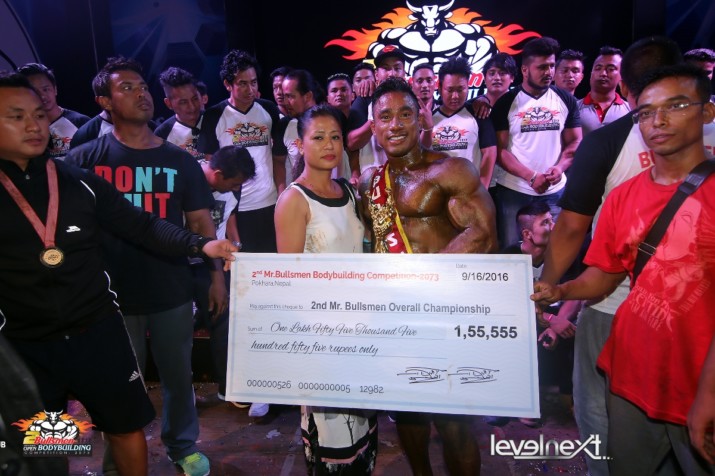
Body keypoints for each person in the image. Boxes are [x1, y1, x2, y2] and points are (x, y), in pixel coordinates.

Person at [0, 71, 236, 476]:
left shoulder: (77, 181)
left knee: (126, 424)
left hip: (96, 330)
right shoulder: (84, 157)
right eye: (16, 116)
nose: (34, 125)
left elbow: (143, 225)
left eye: (39, 115)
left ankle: (178, 448)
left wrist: (202, 245)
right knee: (47, 445)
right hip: (27, 343)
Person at [533, 63, 715, 475]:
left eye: (676, 106)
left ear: (707, 111)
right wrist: (561, 290)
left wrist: (709, 392)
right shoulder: (622, 197)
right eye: (646, 112)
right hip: (633, 370)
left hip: (699, 378)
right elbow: (608, 272)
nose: (658, 121)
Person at [65, 57, 224, 476]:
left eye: (142, 86)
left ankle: (182, 446)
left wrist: (216, 277)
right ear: (104, 102)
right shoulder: (84, 159)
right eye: (127, 88)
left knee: (178, 377)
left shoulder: (180, 160)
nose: (141, 94)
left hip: (170, 286)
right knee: (115, 385)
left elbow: (201, 225)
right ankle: (116, 460)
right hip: (108, 296)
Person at [359, 77, 496, 475]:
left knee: (454, 422)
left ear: (421, 120)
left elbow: (483, 234)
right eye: (385, 116)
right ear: (373, 126)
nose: (395, 124)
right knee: (407, 413)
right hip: (396, 316)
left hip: (445, 313)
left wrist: (423, 285)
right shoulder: (369, 182)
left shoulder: (451, 169)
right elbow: (371, 245)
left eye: (405, 114)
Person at [275, 103, 377, 474]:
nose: (329, 145)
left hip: (360, 326)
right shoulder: (293, 200)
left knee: (361, 428)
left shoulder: (348, 191)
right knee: (333, 438)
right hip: (322, 334)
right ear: (300, 145)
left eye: (335, 136)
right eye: (318, 137)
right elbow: (288, 281)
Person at [197, 49, 285, 418]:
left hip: (268, 210)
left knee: (272, 293)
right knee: (237, 301)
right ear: (227, 84)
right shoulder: (215, 116)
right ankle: (241, 379)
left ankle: (276, 375)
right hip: (233, 217)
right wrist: (227, 225)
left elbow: (279, 157)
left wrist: (282, 195)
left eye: (253, 82)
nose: (250, 89)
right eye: (242, 83)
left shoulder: (269, 110)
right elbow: (209, 167)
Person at [491, 36, 582, 247]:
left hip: (554, 191)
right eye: (542, 67)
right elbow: (500, 151)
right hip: (514, 190)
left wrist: (560, 168)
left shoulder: (565, 100)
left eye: (551, 66)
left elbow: (575, 141)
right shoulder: (506, 103)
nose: (549, 72)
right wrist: (531, 177)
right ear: (525, 70)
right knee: (513, 251)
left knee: (556, 251)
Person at [195, 145, 256, 402]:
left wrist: (237, 245)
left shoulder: (231, 187)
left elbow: (229, 215)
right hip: (184, 262)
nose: (237, 189)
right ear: (218, 174)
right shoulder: (189, 179)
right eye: (234, 184)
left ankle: (226, 387)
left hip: (216, 263)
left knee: (224, 321)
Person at [431, 56, 497, 189]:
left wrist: (482, 188)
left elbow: (490, 152)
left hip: (470, 191)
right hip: (439, 192)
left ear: (468, 87)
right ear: (440, 88)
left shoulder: (479, 113)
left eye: (460, 89)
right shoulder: (430, 119)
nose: (455, 96)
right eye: (450, 90)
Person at [16, 62, 89, 159]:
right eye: (34, 91)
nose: (42, 96)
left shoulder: (81, 123)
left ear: (55, 89)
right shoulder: (22, 129)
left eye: (45, 89)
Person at [577, 47, 630, 135]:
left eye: (611, 69)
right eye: (598, 68)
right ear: (591, 73)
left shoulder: (630, 110)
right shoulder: (573, 109)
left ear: (622, 75)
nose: (603, 73)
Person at [155, 66, 204, 159]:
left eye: (195, 99)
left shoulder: (217, 119)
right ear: (169, 103)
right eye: (183, 102)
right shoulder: (162, 135)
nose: (192, 107)